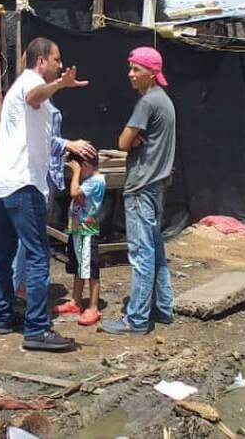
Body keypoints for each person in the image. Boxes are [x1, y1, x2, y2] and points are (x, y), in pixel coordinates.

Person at [0, 37, 88, 352]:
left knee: (1, 254)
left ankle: (4, 316)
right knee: (37, 254)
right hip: (22, 183)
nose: (60, 64)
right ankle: (37, 329)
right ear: (42, 60)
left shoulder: (20, 86)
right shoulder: (31, 83)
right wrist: (60, 83)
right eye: (57, 59)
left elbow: (42, 133)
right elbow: (34, 96)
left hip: (2, 182)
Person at [102, 47, 176, 335]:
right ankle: (163, 307)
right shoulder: (165, 102)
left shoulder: (147, 103)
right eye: (130, 68)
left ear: (152, 73)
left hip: (142, 185)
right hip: (157, 185)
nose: (130, 74)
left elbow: (122, 142)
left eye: (136, 69)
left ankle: (136, 319)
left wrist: (131, 139)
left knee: (141, 253)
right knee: (155, 248)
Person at [12, 92, 96, 296]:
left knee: (32, 233)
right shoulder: (31, 99)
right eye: (55, 60)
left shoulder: (45, 100)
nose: (59, 68)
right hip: (35, 176)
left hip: (46, 174)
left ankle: (23, 282)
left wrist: (66, 154)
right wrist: (68, 145)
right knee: (29, 234)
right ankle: (20, 283)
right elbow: (37, 139)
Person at [54, 153, 106, 326]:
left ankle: (93, 307)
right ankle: (76, 302)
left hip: (87, 231)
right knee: (79, 266)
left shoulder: (96, 181)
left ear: (84, 165)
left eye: (78, 168)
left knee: (91, 269)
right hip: (78, 230)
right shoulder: (90, 180)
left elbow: (74, 192)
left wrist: (75, 173)